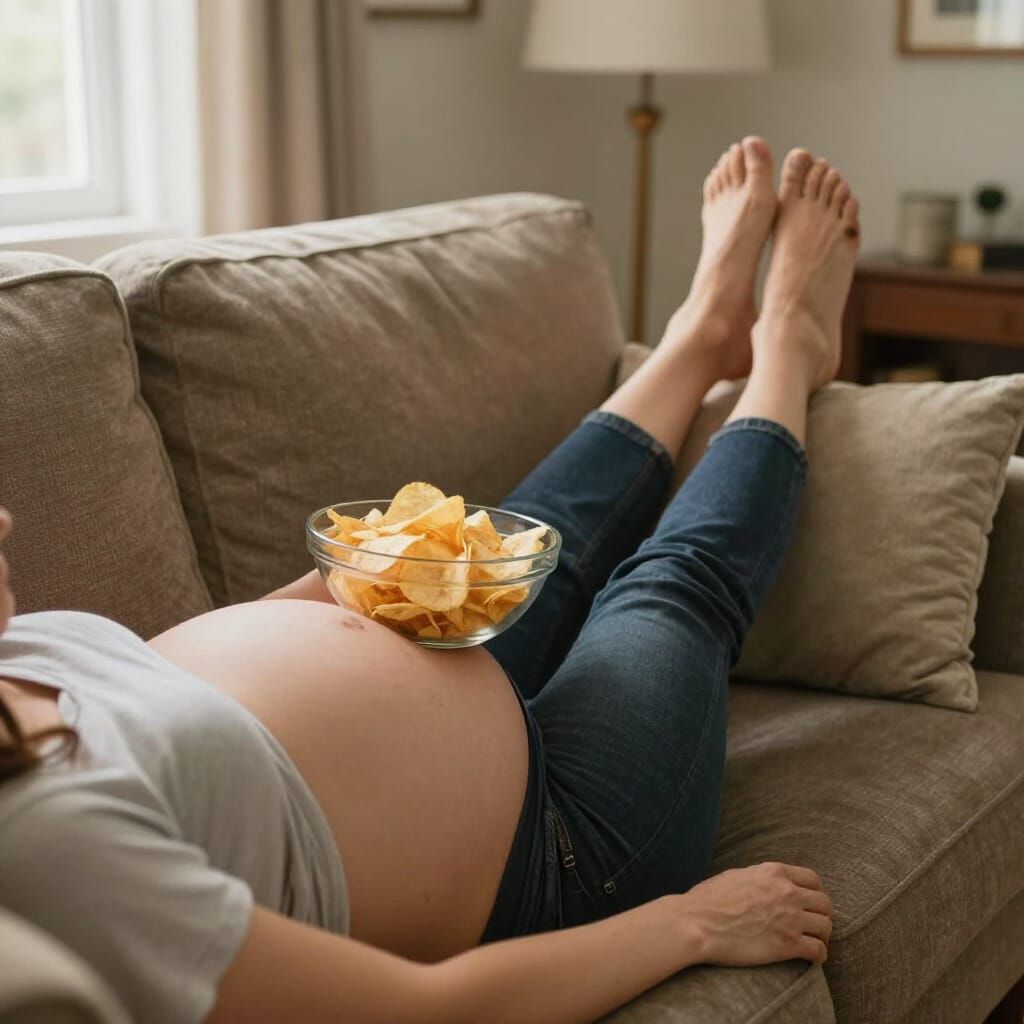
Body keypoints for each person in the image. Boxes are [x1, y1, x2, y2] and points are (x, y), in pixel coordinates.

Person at [0, 139, 858, 1024]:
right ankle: (787, 346)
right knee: (673, 585)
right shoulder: (44, 850)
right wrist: (696, 926)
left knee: (517, 527)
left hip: (432, 667)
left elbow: (180, 698)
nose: (3, 520)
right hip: (552, 851)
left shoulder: (9, 664)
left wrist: (362, 581)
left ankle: (696, 339)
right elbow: (422, 1008)